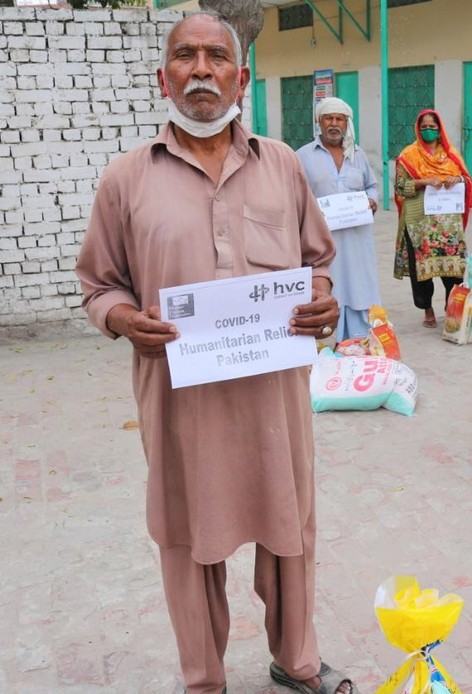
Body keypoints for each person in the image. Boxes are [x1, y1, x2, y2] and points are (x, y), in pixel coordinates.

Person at [75, 13, 356, 694]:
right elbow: (97, 284)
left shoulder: (283, 165)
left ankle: (297, 662)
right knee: (184, 535)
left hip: (273, 397)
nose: (201, 69)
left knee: (290, 528)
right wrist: (121, 318)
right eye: (185, 56)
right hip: (180, 401)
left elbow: (318, 260)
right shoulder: (126, 179)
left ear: (242, 76)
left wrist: (322, 302)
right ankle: (204, 681)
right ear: (162, 76)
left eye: (215, 57)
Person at [297, 97, 381, 342]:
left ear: (347, 123)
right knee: (331, 284)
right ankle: (331, 340)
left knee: (360, 287)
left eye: (340, 119)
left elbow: (372, 186)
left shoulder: (359, 155)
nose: (334, 124)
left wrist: (372, 200)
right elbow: (294, 196)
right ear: (319, 122)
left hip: (357, 241)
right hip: (323, 242)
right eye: (328, 118)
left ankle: (361, 338)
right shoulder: (301, 156)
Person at [393, 109, 472, 328]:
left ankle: (451, 307)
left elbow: (466, 180)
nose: (428, 131)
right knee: (422, 271)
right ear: (418, 130)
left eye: (433, 127)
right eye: (424, 127)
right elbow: (400, 188)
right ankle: (427, 309)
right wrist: (423, 182)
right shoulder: (408, 155)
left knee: (454, 269)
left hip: (448, 226)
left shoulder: (450, 154)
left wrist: (455, 178)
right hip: (420, 224)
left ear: (440, 131)